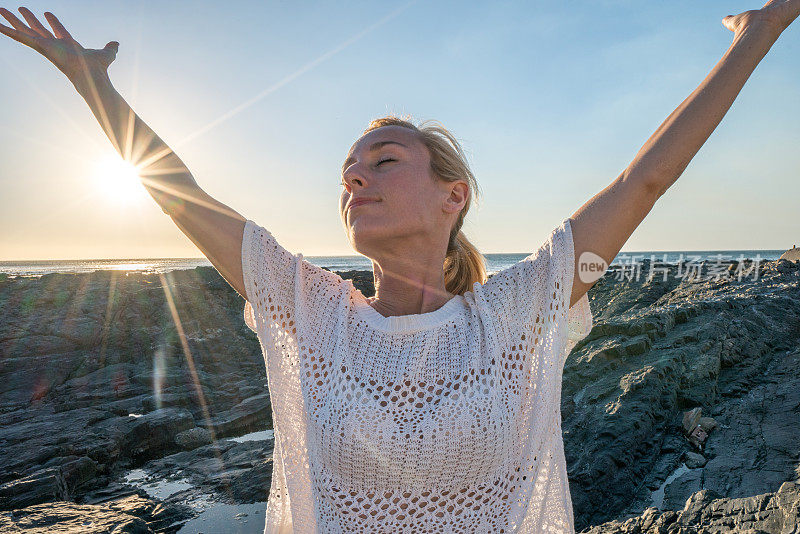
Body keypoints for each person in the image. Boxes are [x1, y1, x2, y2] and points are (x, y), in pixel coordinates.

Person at [1, 2, 798, 532]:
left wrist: (758, 34)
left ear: (455, 196)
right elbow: (181, 196)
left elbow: (643, 181)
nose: (355, 177)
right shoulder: (312, 313)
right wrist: (93, 86)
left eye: (383, 160)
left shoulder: (513, 314)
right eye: (349, 168)